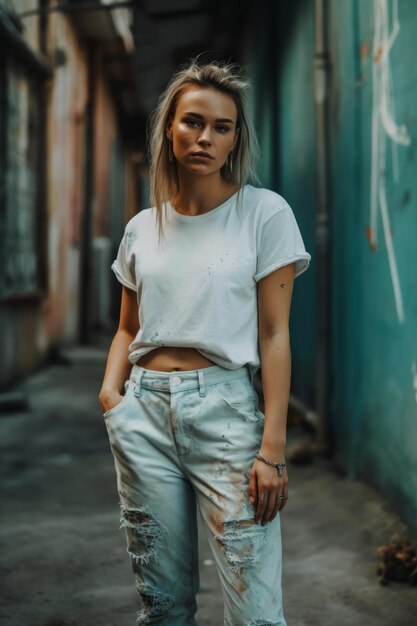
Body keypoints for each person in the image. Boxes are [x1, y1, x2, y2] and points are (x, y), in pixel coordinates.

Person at [99, 58, 311, 626]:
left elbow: (275, 333)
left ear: (235, 138)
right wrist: (111, 395)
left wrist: (273, 447)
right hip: (142, 411)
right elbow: (127, 326)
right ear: (169, 128)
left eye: (222, 127)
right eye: (193, 122)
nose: (206, 138)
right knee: (163, 605)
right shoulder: (144, 227)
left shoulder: (263, 214)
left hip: (226, 415)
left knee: (256, 610)